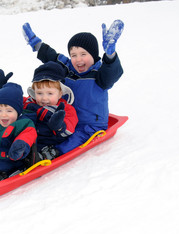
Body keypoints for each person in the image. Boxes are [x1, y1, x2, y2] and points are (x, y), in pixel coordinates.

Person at [22, 20, 124, 154]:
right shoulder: (69, 68)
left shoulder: (100, 75)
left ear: (93, 55)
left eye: (83, 54)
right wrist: (36, 44)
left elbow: (112, 72)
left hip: (89, 125)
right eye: (73, 55)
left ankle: (53, 153)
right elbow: (52, 57)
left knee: (71, 142)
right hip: (67, 120)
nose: (78, 59)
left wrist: (110, 56)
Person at [0, 61, 78, 160]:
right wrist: (2, 88)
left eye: (50, 93)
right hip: (23, 138)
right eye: (39, 93)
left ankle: (23, 161)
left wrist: (58, 126)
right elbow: (14, 101)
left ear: (60, 93)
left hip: (45, 143)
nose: (44, 98)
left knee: (25, 154)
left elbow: (70, 128)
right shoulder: (30, 102)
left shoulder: (66, 109)